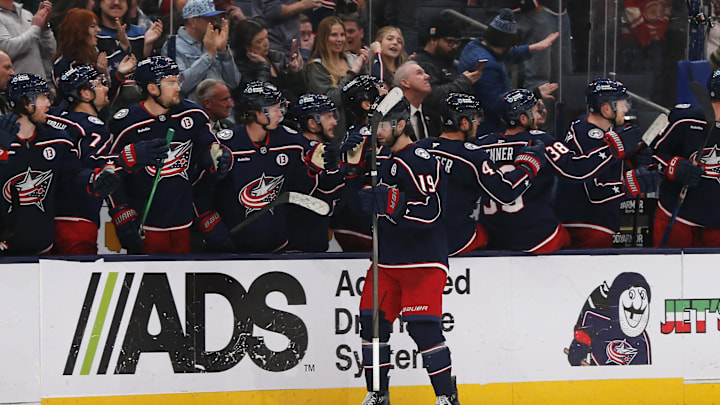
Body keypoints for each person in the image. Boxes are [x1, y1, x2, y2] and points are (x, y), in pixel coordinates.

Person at [357, 95, 460, 405]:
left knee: (423, 330)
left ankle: (446, 398)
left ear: (401, 125)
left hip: (423, 261)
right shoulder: (383, 158)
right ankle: (378, 394)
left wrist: (394, 205)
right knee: (371, 325)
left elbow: (431, 212)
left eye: (382, 126)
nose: (376, 132)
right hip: (386, 261)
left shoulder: (420, 159)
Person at [475, 89, 649, 253]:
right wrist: (613, 149)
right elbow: (577, 171)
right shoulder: (538, 141)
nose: (539, 116)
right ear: (523, 118)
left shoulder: (481, 144)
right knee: (570, 244)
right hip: (536, 237)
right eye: (535, 112)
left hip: (493, 237)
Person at [107, 56, 231, 254]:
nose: (178, 88)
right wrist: (121, 211)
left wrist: (218, 160)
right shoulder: (126, 122)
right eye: (171, 83)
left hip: (184, 224)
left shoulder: (193, 114)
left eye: (177, 81)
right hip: (145, 226)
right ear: (152, 88)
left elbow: (209, 149)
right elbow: (109, 170)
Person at [0, 73, 119, 254]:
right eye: (42, 98)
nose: (48, 104)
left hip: (43, 247)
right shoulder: (2, 139)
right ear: (25, 103)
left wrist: (93, 180)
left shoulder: (57, 139)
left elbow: (72, 175)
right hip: (5, 251)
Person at [198, 81, 322, 252]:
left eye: (281, 107)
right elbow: (200, 190)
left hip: (278, 246)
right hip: (232, 249)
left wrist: (314, 168)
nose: (280, 113)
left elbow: (301, 189)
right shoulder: (226, 144)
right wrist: (209, 222)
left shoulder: (291, 141)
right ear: (256, 112)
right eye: (274, 108)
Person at [52, 65, 163, 254]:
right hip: (77, 220)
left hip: (45, 218)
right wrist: (129, 157)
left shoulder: (52, 116)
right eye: (100, 83)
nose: (105, 88)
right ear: (85, 94)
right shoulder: (92, 127)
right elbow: (97, 170)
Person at [417, 92, 545, 255]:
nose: (477, 124)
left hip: (417, 235)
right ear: (464, 123)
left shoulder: (420, 147)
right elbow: (506, 192)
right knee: (488, 234)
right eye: (475, 119)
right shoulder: (472, 156)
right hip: (452, 240)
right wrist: (529, 164)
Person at [555, 78, 656, 248]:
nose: (626, 109)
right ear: (607, 108)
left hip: (599, 219)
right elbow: (595, 192)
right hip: (588, 225)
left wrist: (632, 158)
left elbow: (610, 162)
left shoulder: (597, 125)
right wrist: (630, 183)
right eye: (622, 105)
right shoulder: (589, 136)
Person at [457, 8, 558, 134]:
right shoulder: (488, 67)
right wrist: (534, 95)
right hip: (487, 129)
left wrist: (534, 48)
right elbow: (496, 106)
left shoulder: (475, 46)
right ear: (505, 46)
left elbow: (507, 54)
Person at [651, 70, 720, 247]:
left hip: (716, 226)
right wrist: (675, 167)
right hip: (678, 219)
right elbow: (651, 157)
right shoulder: (685, 119)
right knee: (668, 273)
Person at [287, 93, 349, 252]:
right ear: (312, 123)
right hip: (296, 243)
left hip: (319, 239)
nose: (334, 122)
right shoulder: (295, 151)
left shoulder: (329, 151)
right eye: (328, 117)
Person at [329, 74, 382, 251]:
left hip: (348, 219)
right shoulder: (374, 134)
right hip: (362, 222)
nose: (386, 94)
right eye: (379, 92)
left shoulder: (353, 132)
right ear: (367, 104)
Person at [413, 15, 482, 138]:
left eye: (457, 42)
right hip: (435, 131)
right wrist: (463, 82)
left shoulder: (449, 63)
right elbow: (432, 96)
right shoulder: (421, 64)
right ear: (433, 40)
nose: (454, 46)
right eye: (450, 41)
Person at [161, 0, 241, 103]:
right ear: (193, 21)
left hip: (223, 112)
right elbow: (180, 85)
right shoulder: (173, 46)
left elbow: (233, 83)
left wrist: (223, 52)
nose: (214, 23)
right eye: (209, 19)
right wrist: (208, 55)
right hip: (193, 112)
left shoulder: (216, 41)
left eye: (214, 19)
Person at [304, 15, 369, 139]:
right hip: (335, 135)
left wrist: (364, 67)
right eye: (334, 35)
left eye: (342, 35)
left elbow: (366, 92)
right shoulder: (316, 67)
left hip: (360, 130)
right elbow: (332, 100)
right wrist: (352, 73)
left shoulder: (352, 60)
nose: (340, 39)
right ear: (323, 38)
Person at [231, 18, 303, 104]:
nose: (266, 43)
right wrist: (263, 66)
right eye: (259, 41)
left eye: (266, 37)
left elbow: (298, 91)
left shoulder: (277, 57)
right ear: (247, 46)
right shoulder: (241, 68)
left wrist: (293, 73)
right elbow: (258, 98)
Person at [0, 0, 56, 82]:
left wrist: (44, 28)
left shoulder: (27, 14)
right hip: (15, 87)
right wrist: (36, 27)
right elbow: (7, 49)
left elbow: (51, 50)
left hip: (40, 84)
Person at [250, 0, 323, 57]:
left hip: (289, 47)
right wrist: (303, 4)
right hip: (274, 46)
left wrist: (296, 50)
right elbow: (272, 10)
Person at [394, 61, 432, 139]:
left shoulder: (433, 115)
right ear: (405, 83)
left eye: (425, 73)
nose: (427, 76)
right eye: (419, 73)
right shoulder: (393, 117)